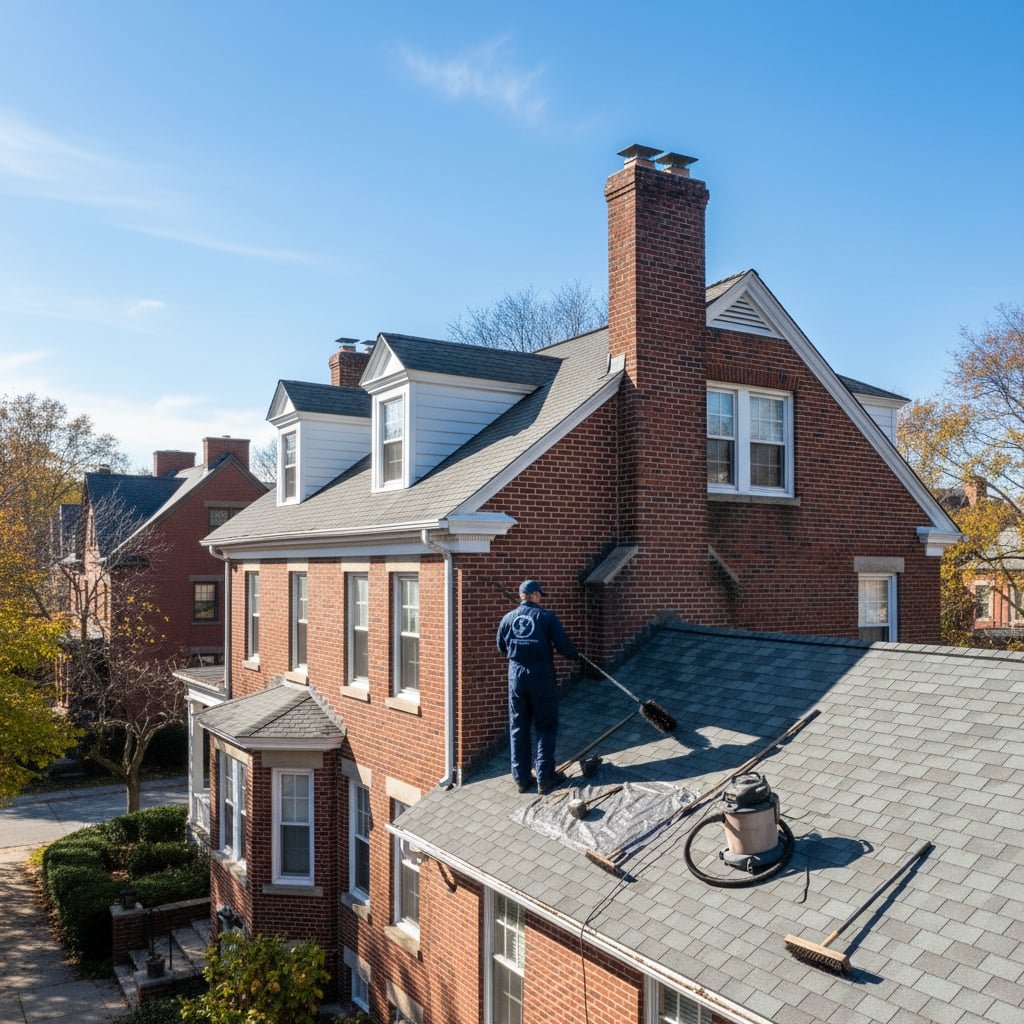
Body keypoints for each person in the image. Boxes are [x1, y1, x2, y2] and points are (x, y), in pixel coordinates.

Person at [496, 579, 579, 794]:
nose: (540, 598)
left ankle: (522, 779)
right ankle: (545, 777)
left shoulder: (507, 619)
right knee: (545, 726)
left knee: (518, 727)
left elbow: (501, 647)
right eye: (539, 594)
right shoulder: (546, 618)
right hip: (541, 677)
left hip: (516, 678)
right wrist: (576, 655)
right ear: (533, 595)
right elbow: (564, 646)